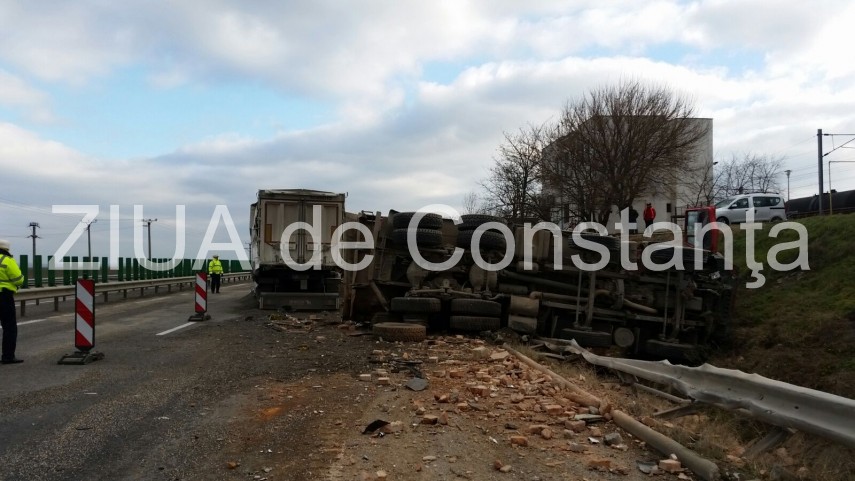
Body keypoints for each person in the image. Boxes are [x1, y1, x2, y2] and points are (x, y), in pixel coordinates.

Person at [0, 239, 25, 364]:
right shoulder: (8, 260)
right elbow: (19, 280)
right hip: (4, 297)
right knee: (9, 328)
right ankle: (8, 356)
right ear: (7, 249)